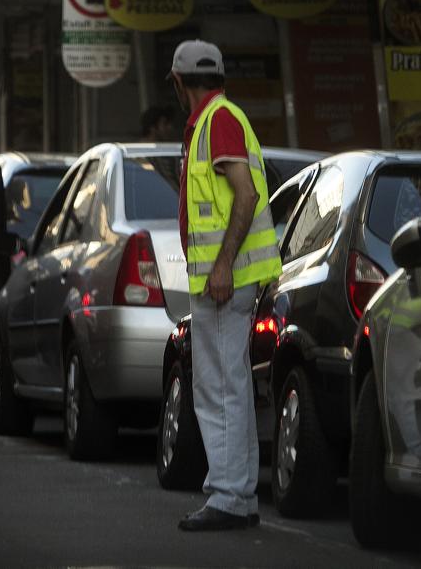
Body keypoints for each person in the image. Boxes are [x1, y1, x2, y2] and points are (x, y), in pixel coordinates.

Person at [170, 40, 282, 532]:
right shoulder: (218, 119)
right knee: (226, 386)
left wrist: (221, 266)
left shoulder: (218, 121)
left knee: (218, 388)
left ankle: (230, 497)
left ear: (178, 82)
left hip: (223, 281)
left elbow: (247, 191)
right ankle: (236, 494)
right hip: (225, 280)